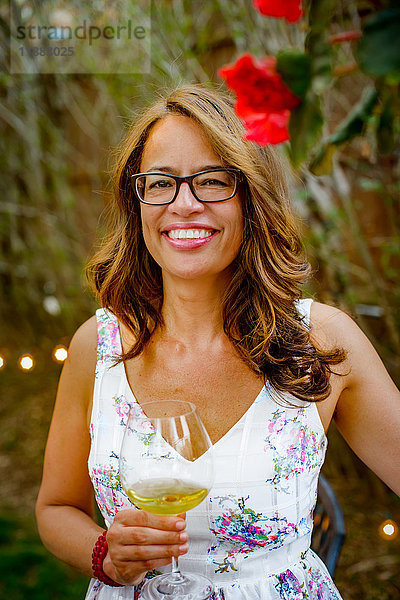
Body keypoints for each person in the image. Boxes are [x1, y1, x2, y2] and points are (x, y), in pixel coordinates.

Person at [35, 84, 400, 600]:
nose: (183, 205)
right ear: (136, 201)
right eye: (160, 182)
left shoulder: (319, 340)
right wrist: (106, 556)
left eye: (211, 181)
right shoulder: (97, 346)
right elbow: (55, 509)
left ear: (251, 197)